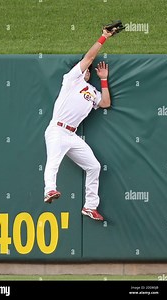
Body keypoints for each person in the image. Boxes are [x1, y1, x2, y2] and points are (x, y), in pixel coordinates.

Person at [43, 27, 115, 221]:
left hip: (71, 135)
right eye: (84, 67)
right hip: (57, 129)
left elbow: (106, 103)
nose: (86, 69)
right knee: (53, 162)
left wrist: (104, 80)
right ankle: (50, 190)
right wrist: (104, 37)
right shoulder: (71, 79)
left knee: (94, 166)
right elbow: (90, 58)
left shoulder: (92, 91)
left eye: (88, 71)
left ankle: (90, 207)